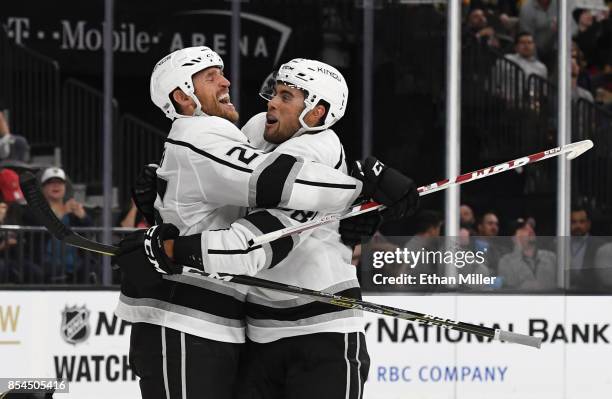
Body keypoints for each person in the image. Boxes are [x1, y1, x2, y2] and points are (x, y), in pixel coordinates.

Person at [113, 47, 417, 399]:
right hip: (252, 331)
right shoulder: (253, 132)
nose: (271, 102)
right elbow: (241, 189)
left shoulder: (320, 145)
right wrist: (364, 191)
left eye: (286, 95)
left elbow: (252, 242)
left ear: (316, 112)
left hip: (319, 331)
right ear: (182, 94)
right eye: (274, 92)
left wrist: (169, 245)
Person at [497, 218, 557, 291]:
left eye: (531, 227)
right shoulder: (506, 262)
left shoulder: (551, 257)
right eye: (524, 228)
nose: (530, 230)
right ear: (514, 238)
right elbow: (509, 291)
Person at [493, 32, 547, 101]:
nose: (526, 45)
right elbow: (495, 81)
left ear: (534, 46)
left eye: (529, 43)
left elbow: (543, 92)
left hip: (529, 104)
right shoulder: (507, 59)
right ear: (516, 47)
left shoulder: (541, 68)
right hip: (506, 102)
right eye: (522, 43)